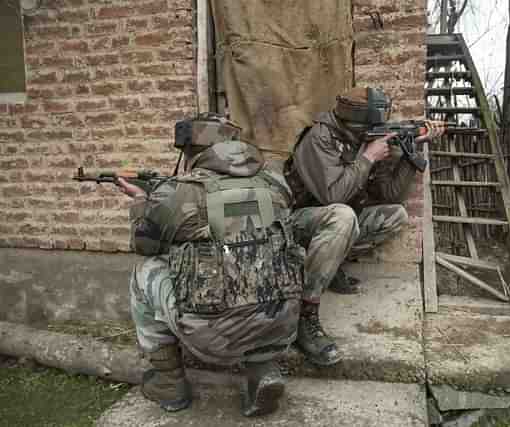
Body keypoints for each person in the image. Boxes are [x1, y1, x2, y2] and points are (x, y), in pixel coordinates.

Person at [119, 116, 303, 417]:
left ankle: (170, 384)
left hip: (214, 339)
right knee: (262, 266)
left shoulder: (182, 192)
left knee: (146, 271)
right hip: (280, 325)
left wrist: (141, 203)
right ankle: (263, 370)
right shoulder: (275, 183)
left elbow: (144, 245)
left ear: (191, 151)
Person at [283, 86, 445, 366]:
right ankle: (304, 315)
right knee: (343, 216)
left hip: (333, 225)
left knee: (395, 214)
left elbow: (390, 194)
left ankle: (330, 266)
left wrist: (413, 147)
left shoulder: (363, 137)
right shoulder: (319, 138)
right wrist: (368, 156)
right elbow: (332, 196)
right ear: (356, 122)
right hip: (297, 225)